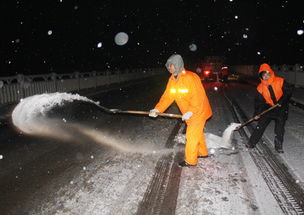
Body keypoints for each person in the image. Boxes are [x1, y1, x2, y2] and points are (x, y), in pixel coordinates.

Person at [149, 54, 212, 167]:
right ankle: (203, 153)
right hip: (189, 112)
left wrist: (191, 111)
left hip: (198, 111)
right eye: (168, 66)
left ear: (178, 65)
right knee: (197, 133)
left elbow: (198, 97)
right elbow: (167, 97)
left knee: (191, 136)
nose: (169, 68)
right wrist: (157, 109)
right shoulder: (172, 79)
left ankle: (191, 161)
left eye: (171, 65)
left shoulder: (190, 77)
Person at [246, 63, 293, 153]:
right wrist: (257, 114)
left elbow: (288, 92)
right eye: (264, 75)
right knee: (261, 125)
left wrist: (282, 101)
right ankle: (252, 142)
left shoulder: (280, 81)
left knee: (279, 128)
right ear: (261, 76)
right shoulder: (260, 87)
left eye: (268, 74)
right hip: (268, 107)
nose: (266, 77)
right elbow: (258, 102)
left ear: (271, 73)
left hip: (281, 107)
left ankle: (278, 146)